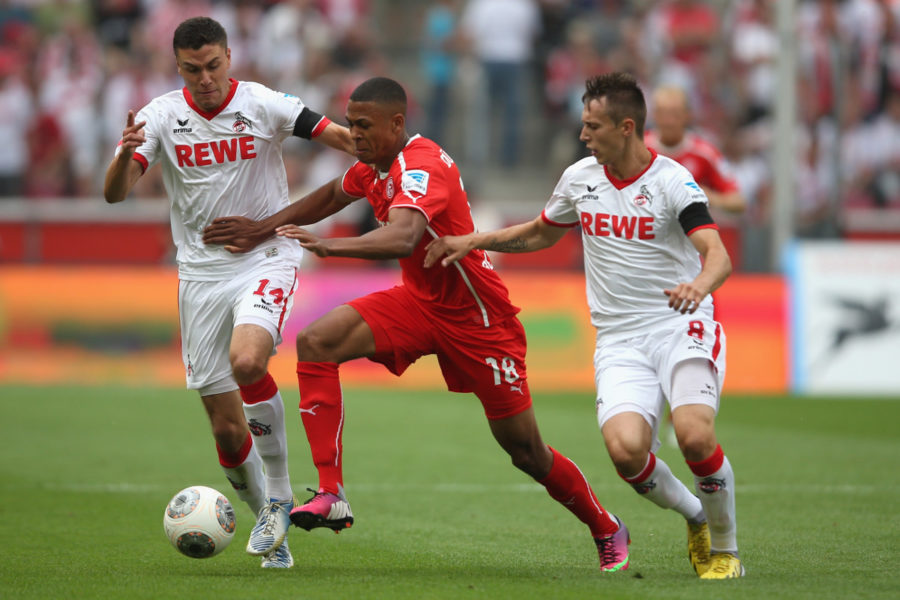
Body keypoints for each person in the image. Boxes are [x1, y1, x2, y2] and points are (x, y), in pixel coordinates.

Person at [202, 76, 631, 572]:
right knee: (318, 342)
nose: (354, 134)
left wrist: (329, 246)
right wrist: (262, 229)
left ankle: (605, 526)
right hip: (420, 303)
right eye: (350, 123)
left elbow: (405, 237)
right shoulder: (373, 165)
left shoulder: (421, 165)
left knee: (526, 451)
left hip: (479, 320)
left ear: (397, 123)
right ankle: (331, 492)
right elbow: (329, 197)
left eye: (364, 126)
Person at [425, 72, 744, 579]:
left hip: (679, 324)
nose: (583, 135)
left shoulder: (672, 181)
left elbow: (717, 256)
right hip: (618, 339)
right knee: (625, 453)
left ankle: (726, 549)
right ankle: (696, 516)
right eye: (582, 124)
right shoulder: (580, 179)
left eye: (592, 126)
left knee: (694, 437)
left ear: (626, 126)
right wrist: (475, 240)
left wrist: (699, 287)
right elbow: (538, 234)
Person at [102, 16, 353, 569]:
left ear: (229, 57)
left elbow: (336, 135)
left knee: (247, 360)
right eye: (193, 69)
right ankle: (273, 525)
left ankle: (282, 495)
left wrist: (383, 152)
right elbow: (115, 194)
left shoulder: (264, 103)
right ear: (177, 66)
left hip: (266, 256)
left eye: (213, 66)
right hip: (199, 276)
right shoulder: (161, 117)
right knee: (223, 424)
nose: (206, 78)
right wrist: (124, 154)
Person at [645, 85, 746, 214]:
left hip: (689, 232)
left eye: (675, 114)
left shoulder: (705, 152)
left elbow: (738, 202)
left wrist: (709, 197)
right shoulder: (639, 149)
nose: (669, 121)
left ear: (687, 115)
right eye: (663, 114)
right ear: (654, 115)